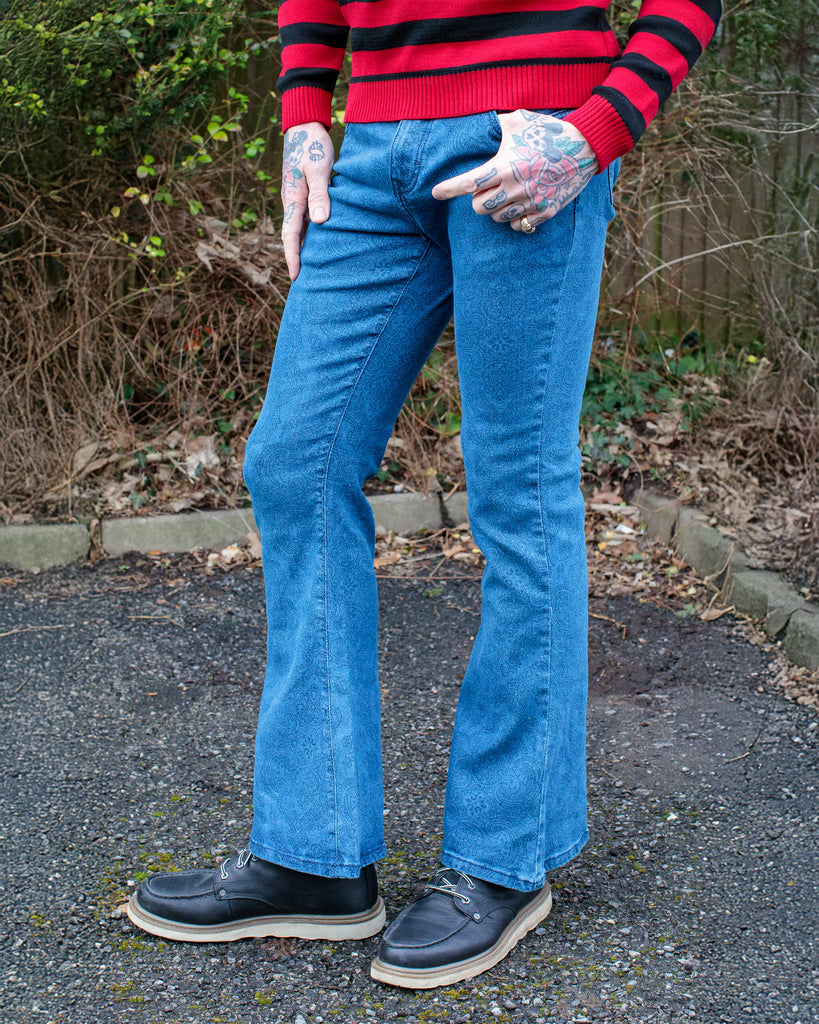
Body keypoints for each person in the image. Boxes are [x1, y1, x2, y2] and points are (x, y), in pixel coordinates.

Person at [127, 0, 721, 989]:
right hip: (374, 149)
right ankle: (314, 855)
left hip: (534, 130)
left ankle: (506, 853)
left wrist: (599, 128)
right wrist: (305, 113)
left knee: (518, 493)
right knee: (294, 461)